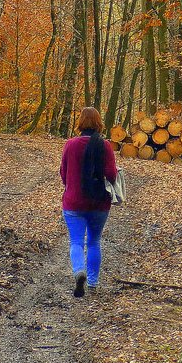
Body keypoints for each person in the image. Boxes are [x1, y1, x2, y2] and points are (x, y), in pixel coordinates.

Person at [59, 107, 117, 298]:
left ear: (81, 122)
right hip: (99, 203)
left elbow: (63, 173)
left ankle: (79, 271)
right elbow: (111, 174)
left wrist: (72, 185)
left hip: (74, 201)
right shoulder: (105, 145)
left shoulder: (70, 144)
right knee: (94, 242)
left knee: (76, 241)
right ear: (99, 122)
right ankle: (92, 282)